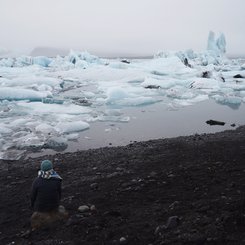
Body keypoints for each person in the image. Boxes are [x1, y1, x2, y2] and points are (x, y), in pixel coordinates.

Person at [30, 160, 67, 229]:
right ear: (51, 168)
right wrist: (58, 202)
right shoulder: (57, 179)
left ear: (42, 169)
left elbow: (33, 196)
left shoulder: (37, 181)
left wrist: (32, 205)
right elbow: (59, 193)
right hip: (55, 205)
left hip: (40, 208)